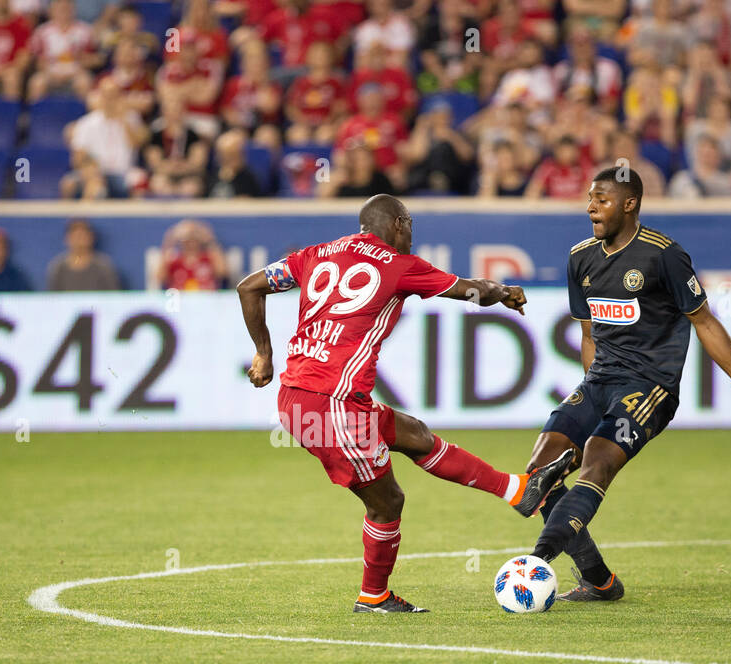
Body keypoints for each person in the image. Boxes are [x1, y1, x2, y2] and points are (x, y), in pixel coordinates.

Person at [235, 194, 554, 613]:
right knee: (387, 502)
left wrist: (264, 352)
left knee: (415, 435)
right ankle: (373, 596)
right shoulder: (399, 265)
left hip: (307, 399)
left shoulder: (314, 255)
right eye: (411, 228)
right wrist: (505, 291)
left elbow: (249, 286)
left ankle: (516, 491)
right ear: (400, 224)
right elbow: (472, 291)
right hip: (329, 406)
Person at [522, 167, 731, 601]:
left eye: (601, 199)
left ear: (630, 204)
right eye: (589, 198)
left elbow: (705, 322)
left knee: (597, 459)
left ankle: (535, 563)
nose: (590, 207)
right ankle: (599, 581)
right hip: (600, 379)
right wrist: (589, 391)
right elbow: (589, 334)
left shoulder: (664, 256)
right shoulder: (580, 258)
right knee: (539, 471)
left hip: (650, 386)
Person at [45, 218, 122, 291]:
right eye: (76, 236)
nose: (79, 240)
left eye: (82, 236)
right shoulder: (59, 268)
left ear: (91, 238)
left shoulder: (103, 266)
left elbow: (114, 296)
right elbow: (52, 298)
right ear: (67, 239)